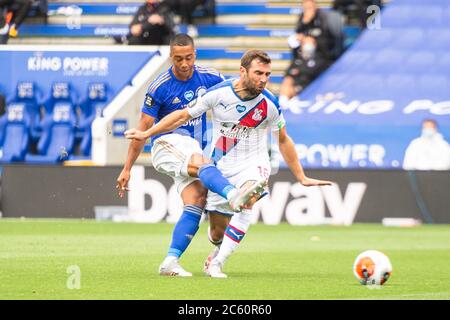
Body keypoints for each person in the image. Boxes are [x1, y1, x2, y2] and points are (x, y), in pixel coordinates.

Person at [124, 49, 333, 278]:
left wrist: (301, 176)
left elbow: (283, 139)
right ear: (242, 71)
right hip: (221, 166)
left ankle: (218, 263)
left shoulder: (270, 103)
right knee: (216, 233)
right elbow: (182, 115)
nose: (263, 79)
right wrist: (148, 133)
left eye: (267, 74)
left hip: (253, 164)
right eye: (258, 73)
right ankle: (216, 248)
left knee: (247, 200)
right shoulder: (219, 93)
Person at [116, 34, 266, 277]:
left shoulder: (211, 77)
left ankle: (170, 261)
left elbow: (235, 92)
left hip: (195, 151)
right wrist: (127, 168)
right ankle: (233, 194)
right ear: (170, 58)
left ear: (195, 55)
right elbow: (142, 130)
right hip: (168, 145)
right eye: (178, 59)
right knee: (203, 165)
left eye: (188, 58)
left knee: (197, 199)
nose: (184, 64)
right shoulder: (160, 86)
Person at [279, 35, 332, 108]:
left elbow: (312, 72)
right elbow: (288, 73)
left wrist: (299, 71)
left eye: (310, 43)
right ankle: (283, 106)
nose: (308, 46)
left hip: (312, 87)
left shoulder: (319, 59)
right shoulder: (298, 60)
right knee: (287, 81)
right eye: (305, 43)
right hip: (296, 87)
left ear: (315, 45)